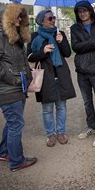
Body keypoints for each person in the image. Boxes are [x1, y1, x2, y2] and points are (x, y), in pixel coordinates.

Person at [0, 3, 37, 172]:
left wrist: (27, 75)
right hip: (8, 90)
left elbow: (17, 61)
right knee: (16, 125)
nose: (20, 19)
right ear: (7, 19)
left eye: (21, 16)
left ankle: (4, 152)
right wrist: (11, 79)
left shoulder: (14, 37)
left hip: (17, 89)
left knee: (12, 123)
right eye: (16, 16)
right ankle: (17, 161)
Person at [27, 10, 76, 147]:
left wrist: (61, 42)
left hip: (61, 75)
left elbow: (67, 53)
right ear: (41, 20)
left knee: (61, 107)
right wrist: (43, 52)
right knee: (47, 108)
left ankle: (61, 132)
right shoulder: (35, 36)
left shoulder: (59, 34)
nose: (53, 20)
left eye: (54, 18)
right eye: (50, 18)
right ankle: (50, 135)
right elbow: (29, 56)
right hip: (45, 77)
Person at [71, 0, 95, 147]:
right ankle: (91, 127)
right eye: (79, 12)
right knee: (87, 103)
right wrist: (94, 43)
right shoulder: (75, 28)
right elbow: (76, 47)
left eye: (85, 10)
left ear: (90, 11)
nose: (82, 14)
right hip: (82, 71)